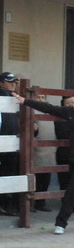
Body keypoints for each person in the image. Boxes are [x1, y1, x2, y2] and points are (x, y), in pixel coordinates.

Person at [13, 85, 74, 234]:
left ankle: (61, 223)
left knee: (71, 190)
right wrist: (25, 101)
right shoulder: (69, 112)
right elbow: (48, 108)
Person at [0, 72, 20, 216]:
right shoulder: (3, 97)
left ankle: (7, 204)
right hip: (4, 142)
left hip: (12, 143)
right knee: (5, 173)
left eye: (14, 82)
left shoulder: (15, 98)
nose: (13, 84)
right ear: (1, 83)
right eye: (9, 81)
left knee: (10, 172)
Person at [32, 94, 56, 212]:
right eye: (38, 97)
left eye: (43, 97)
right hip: (37, 151)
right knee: (35, 179)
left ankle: (41, 202)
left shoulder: (49, 112)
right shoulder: (31, 111)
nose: (41, 100)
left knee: (46, 178)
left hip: (49, 151)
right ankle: (34, 202)